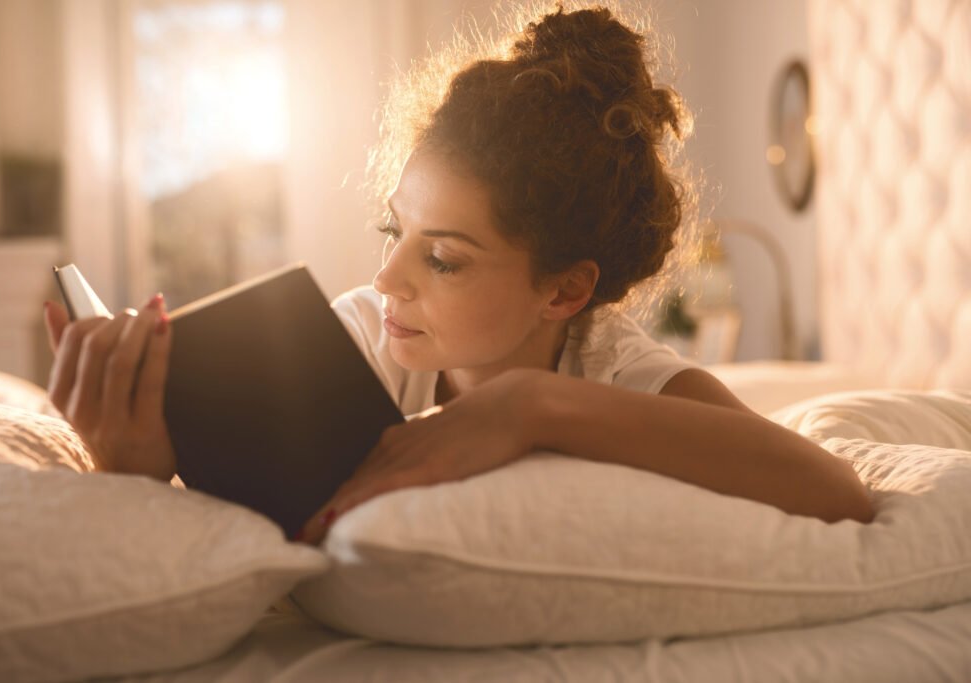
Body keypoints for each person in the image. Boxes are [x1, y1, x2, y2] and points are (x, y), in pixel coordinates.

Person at [43, 3, 874, 545]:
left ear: (565, 291)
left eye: (442, 258)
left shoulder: (612, 370)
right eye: (393, 230)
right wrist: (142, 467)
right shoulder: (365, 336)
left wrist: (531, 405)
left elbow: (837, 490)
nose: (388, 275)